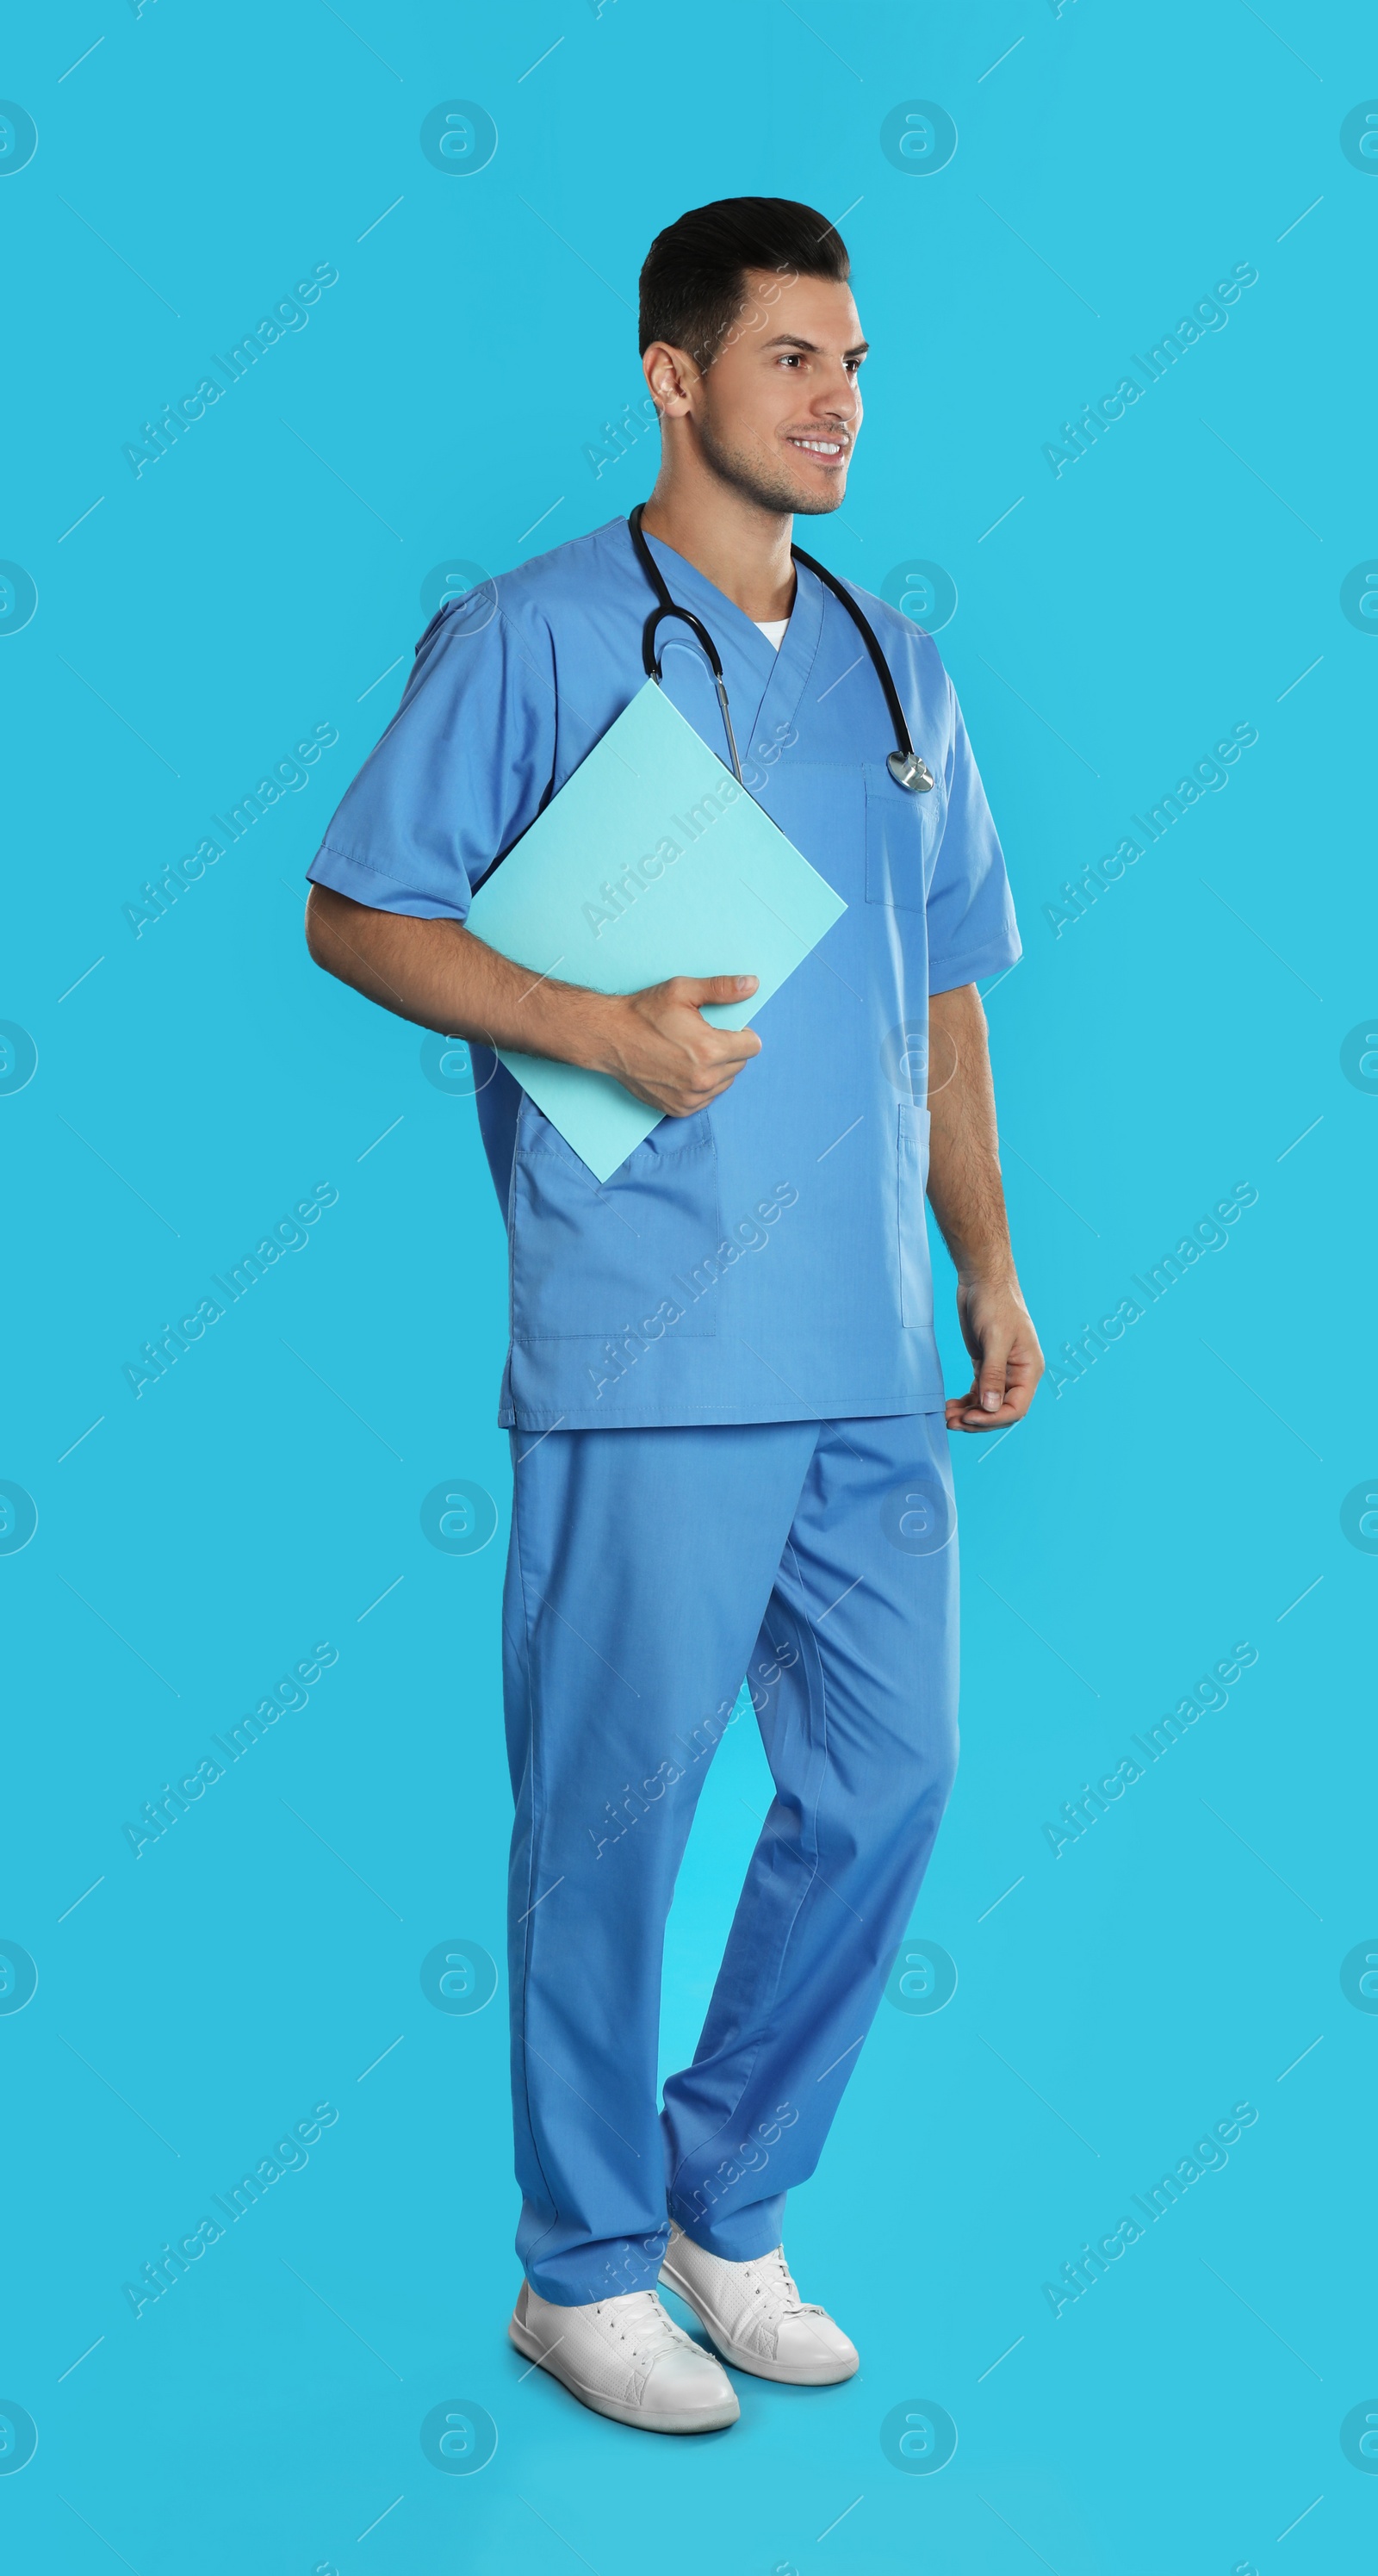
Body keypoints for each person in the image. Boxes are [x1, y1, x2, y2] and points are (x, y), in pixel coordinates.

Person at [304, 196, 1043, 2436]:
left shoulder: (906, 672)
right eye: (796, 358)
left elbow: (947, 982)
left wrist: (990, 1257)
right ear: (675, 375)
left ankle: (724, 2197)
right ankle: (577, 2266)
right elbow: (357, 910)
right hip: (642, 1345)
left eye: (855, 364)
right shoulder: (530, 641)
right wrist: (584, 1026)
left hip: (862, 1355)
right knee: (611, 1817)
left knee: (893, 1774)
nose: (837, 398)